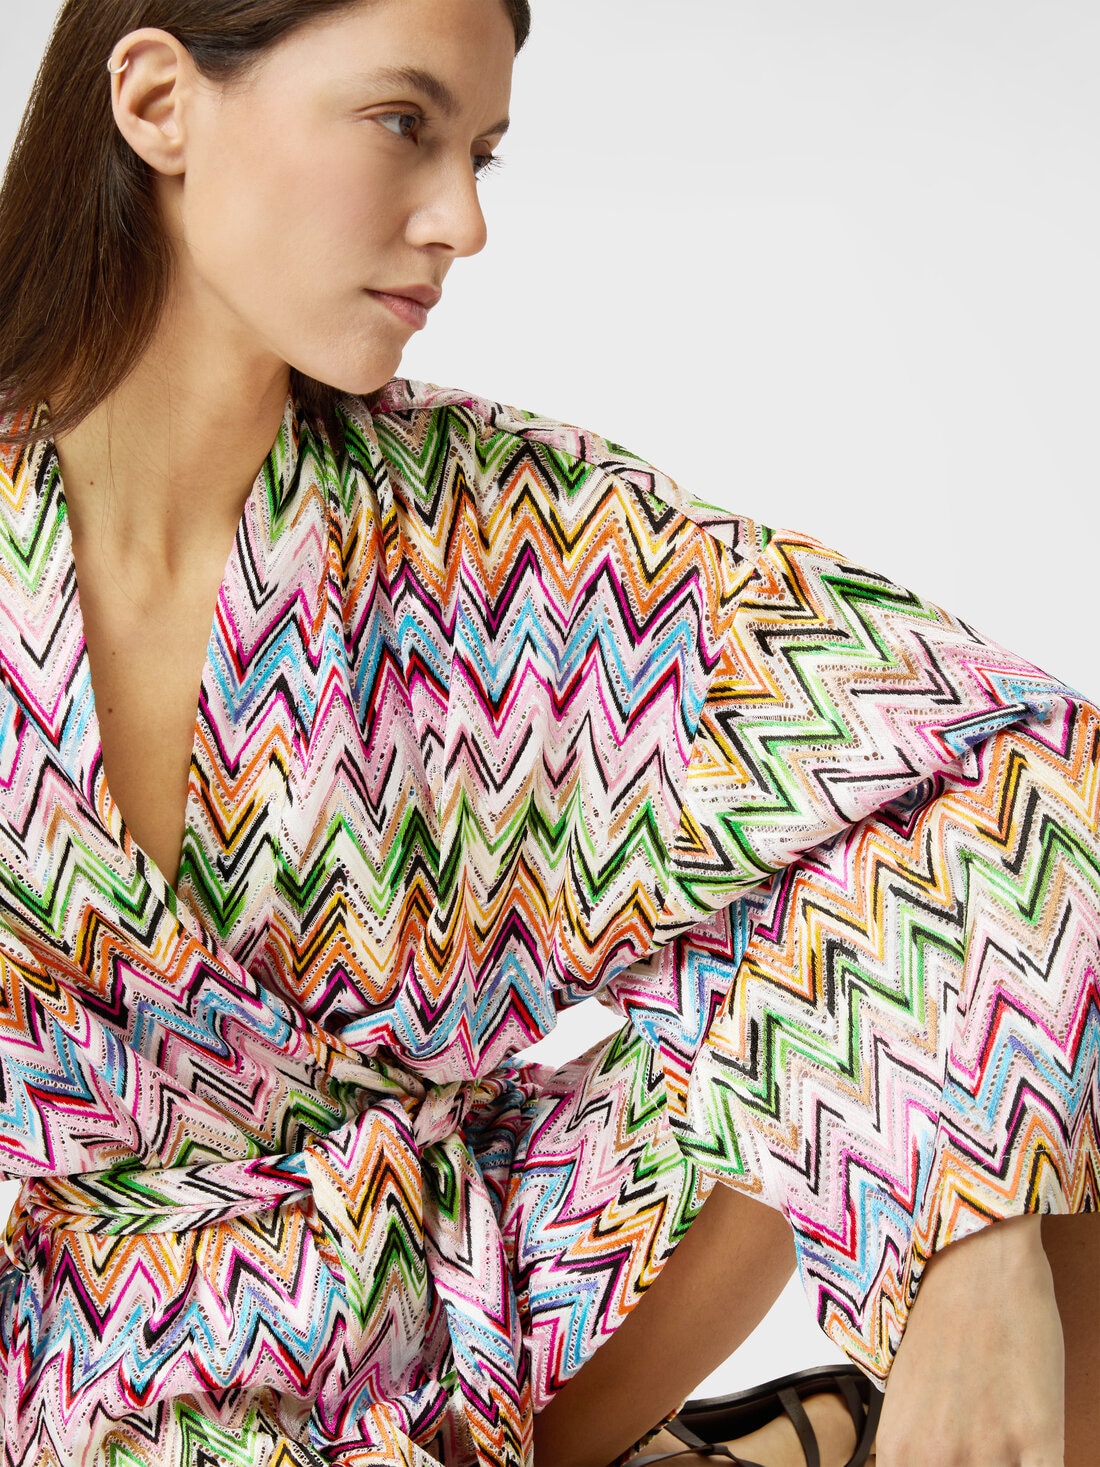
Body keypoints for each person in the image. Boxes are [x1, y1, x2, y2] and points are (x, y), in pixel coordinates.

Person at [0, 3, 1095, 1466]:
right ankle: (792, 1446)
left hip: (483, 1288)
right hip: (98, 1374)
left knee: (958, 966)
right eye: (403, 124)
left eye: (482, 155)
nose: (461, 222)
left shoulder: (503, 528)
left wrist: (976, 1238)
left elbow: (1013, 755)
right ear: (157, 103)